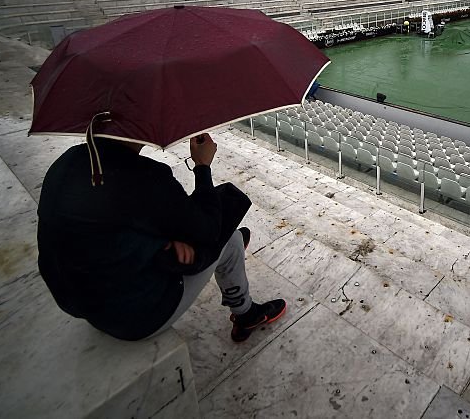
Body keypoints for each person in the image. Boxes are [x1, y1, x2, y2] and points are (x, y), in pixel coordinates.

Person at [37, 133, 286, 342]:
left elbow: (105, 229)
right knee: (228, 240)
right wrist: (202, 166)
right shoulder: (144, 176)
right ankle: (246, 315)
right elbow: (208, 230)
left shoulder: (66, 163)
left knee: (202, 231)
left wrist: (156, 244)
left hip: (82, 303)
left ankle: (221, 259)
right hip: (135, 317)